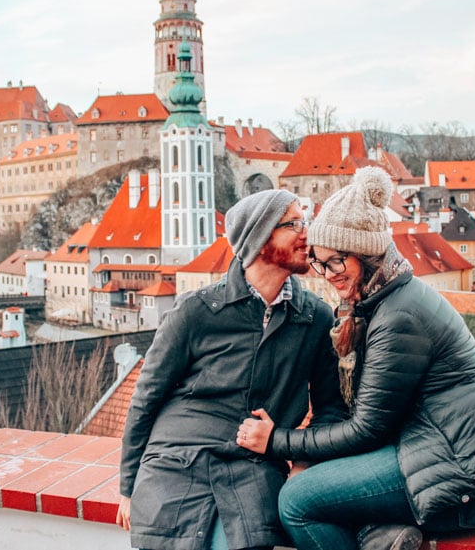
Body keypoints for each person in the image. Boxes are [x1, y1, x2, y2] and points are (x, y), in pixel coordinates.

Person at [237, 167, 475, 550]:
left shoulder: (398, 316)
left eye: (336, 261)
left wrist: (278, 442)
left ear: (366, 254)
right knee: (322, 484)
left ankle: (374, 534)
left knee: (298, 502)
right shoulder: (380, 299)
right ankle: (378, 535)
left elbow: (367, 429)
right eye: (320, 262)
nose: (328, 274)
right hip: (444, 448)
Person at [117, 189, 348, 550]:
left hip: (253, 468)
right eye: (294, 224)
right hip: (176, 462)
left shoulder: (314, 318)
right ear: (260, 238)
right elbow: (146, 398)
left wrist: (301, 466)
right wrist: (128, 487)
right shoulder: (197, 310)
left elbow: (331, 407)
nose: (308, 234)